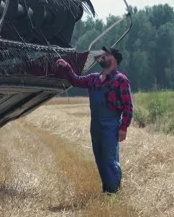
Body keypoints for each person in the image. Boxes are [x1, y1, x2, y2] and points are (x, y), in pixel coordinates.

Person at [56, 46, 133, 194]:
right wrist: (67, 67)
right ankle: (107, 189)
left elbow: (128, 106)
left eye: (107, 55)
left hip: (111, 125)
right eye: (103, 54)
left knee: (109, 159)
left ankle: (113, 191)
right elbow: (76, 81)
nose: (103, 56)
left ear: (114, 60)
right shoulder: (94, 79)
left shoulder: (121, 80)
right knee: (99, 158)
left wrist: (124, 127)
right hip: (96, 126)